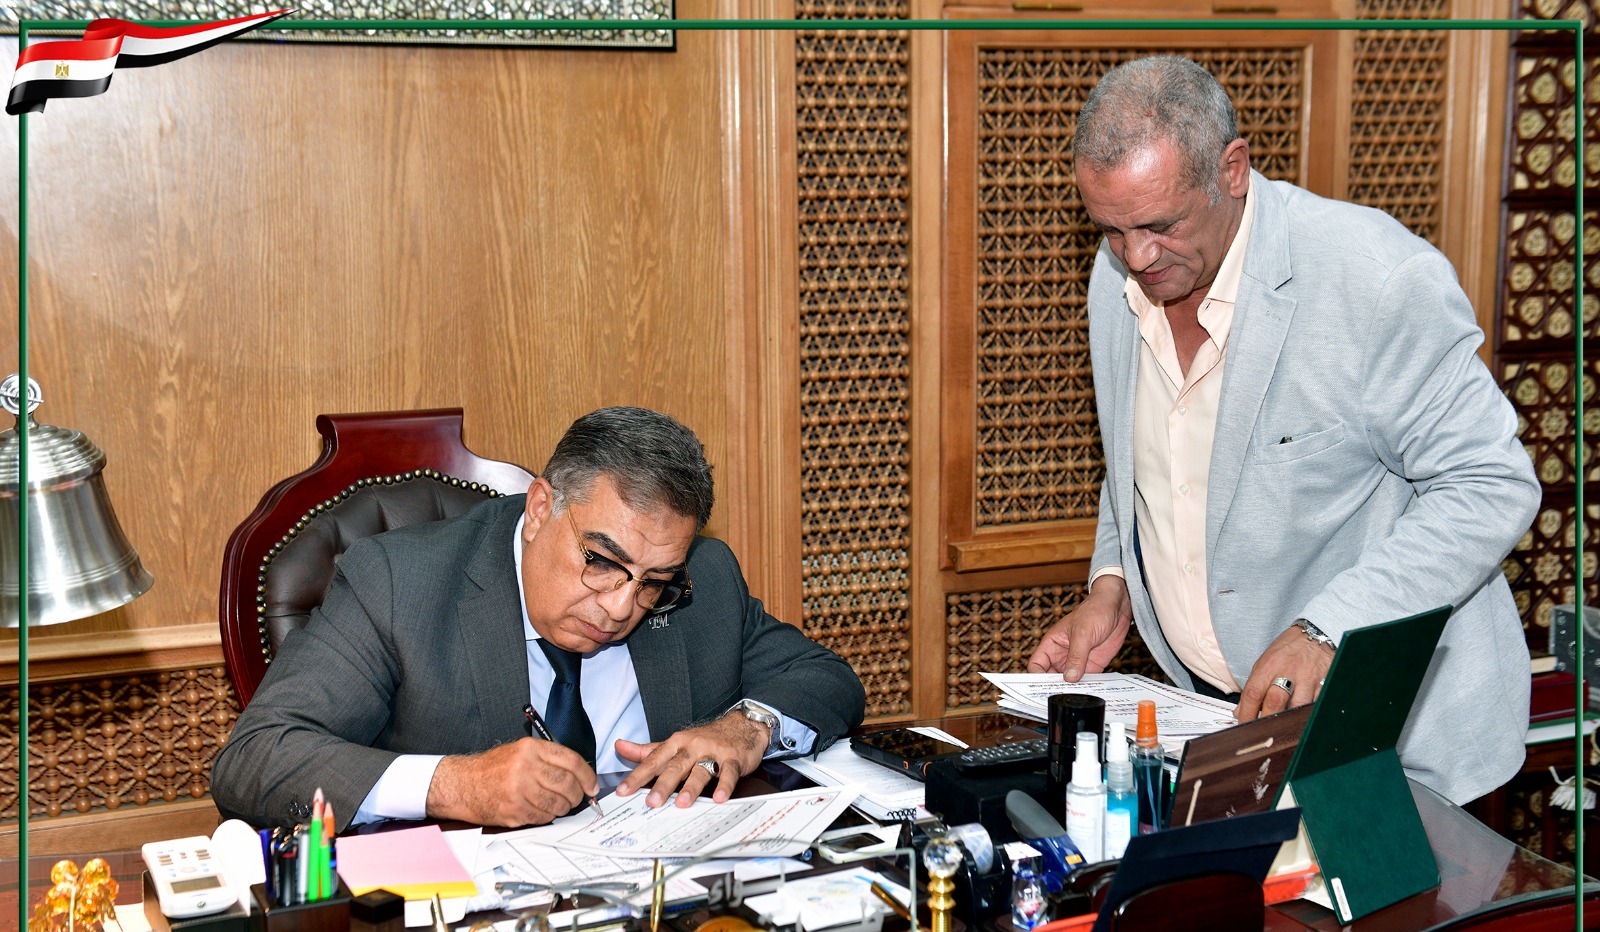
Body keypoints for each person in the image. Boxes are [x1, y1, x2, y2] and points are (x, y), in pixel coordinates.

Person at [1026, 56, 1540, 804]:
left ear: (1232, 170)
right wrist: (1116, 583)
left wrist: (1330, 628)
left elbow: (1491, 486)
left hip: (1392, 745)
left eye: (1161, 225)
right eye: (1111, 230)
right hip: (1226, 727)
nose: (1137, 257)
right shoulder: (1117, 286)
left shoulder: (1374, 281)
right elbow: (1147, 458)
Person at [213, 407, 866, 829]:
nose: (620, 607)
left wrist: (748, 727)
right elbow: (254, 759)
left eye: (653, 584)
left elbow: (826, 680)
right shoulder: (398, 584)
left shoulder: (706, 579)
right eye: (601, 562)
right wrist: (454, 784)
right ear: (539, 510)